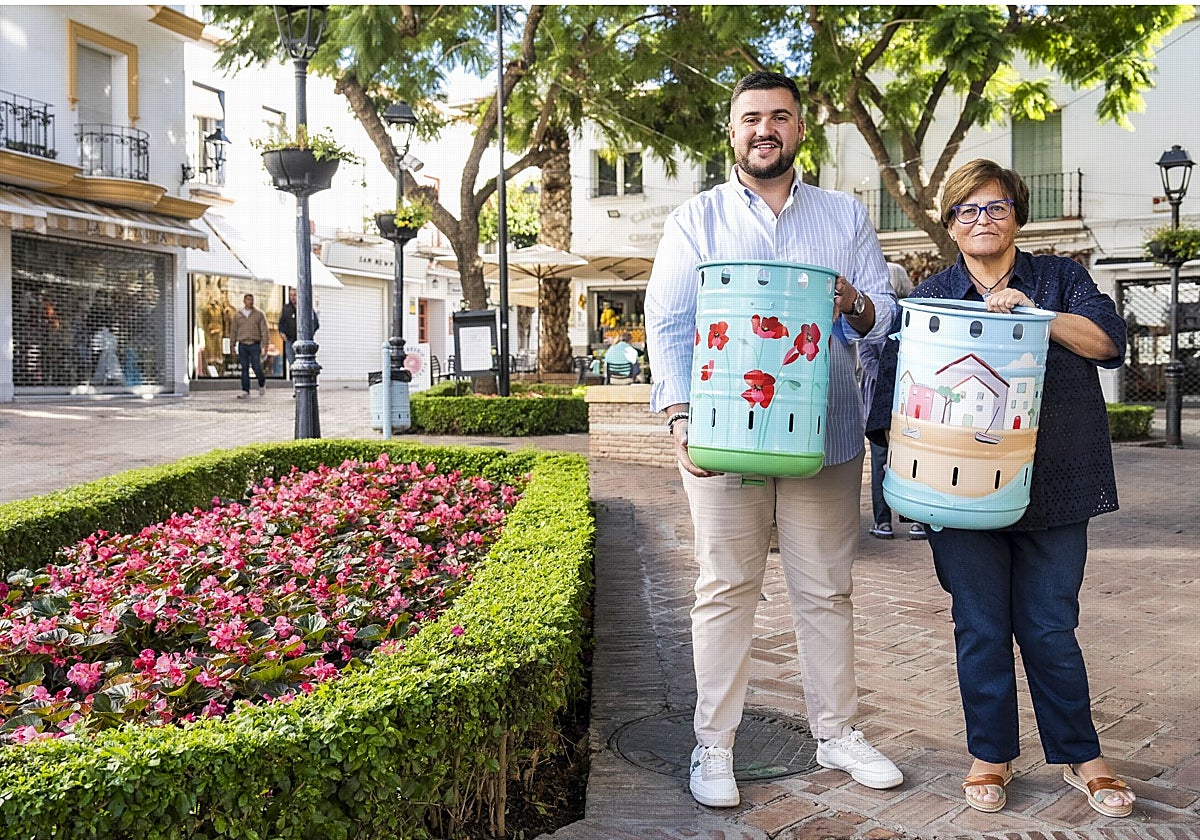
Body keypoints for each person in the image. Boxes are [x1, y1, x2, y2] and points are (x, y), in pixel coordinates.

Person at [644, 70, 902, 809]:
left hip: (825, 434)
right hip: (723, 434)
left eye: (780, 117)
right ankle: (714, 747)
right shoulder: (695, 220)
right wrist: (679, 417)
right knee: (724, 590)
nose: (766, 129)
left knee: (827, 590)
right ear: (731, 132)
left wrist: (854, 302)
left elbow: (882, 313)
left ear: (799, 130)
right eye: (751, 117)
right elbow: (668, 323)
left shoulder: (844, 215)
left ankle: (837, 733)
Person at [865, 159, 1135, 817]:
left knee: (1049, 625)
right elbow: (892, 395)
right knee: (981, 626)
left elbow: (1107, 344)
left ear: (1017, 214)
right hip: (958, 490)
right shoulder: (929, 298)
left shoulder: (1061, 278)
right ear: (951, 222)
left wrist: (1034, 313)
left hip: (1056, 482)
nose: (981, 220)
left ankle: (1081, 755)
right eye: (967, 210)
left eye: (995, 208)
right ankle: (992, 753)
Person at [860, 263, 924, 540]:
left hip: (905, 400)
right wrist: (896, 378)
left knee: (891, 461)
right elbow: (867, 357)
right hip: (892, 399)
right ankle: (890, 520)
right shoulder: (890, 317)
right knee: (902, 460)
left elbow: (866, 358)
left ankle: (901, 520)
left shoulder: (911, 317)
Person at [229, 292, 269, 398]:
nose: (250, 302)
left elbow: (264, 330)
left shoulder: (259, 314)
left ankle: (261, 383)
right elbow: (233, 330)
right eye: (248, 300)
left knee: (256, 366)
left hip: (255, 344)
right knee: (244, 367)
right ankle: (245, 389)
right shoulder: (238, 315)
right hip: (243, 344)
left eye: (251, 300)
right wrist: (232, 344)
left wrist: (265, 344)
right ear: (244, 301)